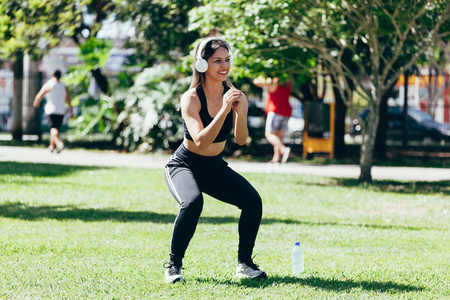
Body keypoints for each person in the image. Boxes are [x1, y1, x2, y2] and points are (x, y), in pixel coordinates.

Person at [163, 37, 267, 284]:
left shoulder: (234, 96)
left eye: (227, 60)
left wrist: (240, 113)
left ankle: (244, 264)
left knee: (252, 201)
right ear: (201, 65)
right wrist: (224, 110)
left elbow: (241, 140)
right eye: (217, 60)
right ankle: (173, 266)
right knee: (192, 203)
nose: (224, 66)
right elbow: (200, 141)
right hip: (184, 165)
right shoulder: (191, 98)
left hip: (214, 167)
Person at [253, 75, 292, 163]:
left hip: (275, 111)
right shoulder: (288, 82)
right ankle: (276, 158)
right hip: (286, 111)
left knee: (269, 134)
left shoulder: (274, 82)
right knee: (278, 137)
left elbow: (256, 81)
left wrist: (263, 75)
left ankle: (284, 149)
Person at [33, 70, 73, 153]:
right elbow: (68, 100)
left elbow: (40, 95)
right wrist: (71, 111)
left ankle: (59, 143)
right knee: (57, 128)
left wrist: (36, 102)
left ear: (52, 75)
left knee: (53, 128)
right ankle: (51, 146)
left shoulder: (49, 84)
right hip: (61, 110)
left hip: (51, 110)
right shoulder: (63, 86)